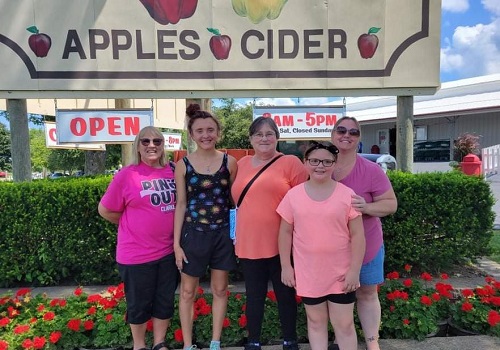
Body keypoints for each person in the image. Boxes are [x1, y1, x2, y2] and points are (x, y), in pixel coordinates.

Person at [277, 141, 365, 350]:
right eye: (314, 160)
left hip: (341, 274)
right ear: (305, 163)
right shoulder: (293, 196)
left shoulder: (347, 194)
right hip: (309, 273)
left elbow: (358, 235)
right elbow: (285, 232)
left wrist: (354, 270)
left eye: (327, 161)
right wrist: (286, 267)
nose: (320, 166)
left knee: (344, 325)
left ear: (334, 164)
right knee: (316, 323)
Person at [231, 117, 309, 350]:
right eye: (258, 134)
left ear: (277, 137)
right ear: (251, 139)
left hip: (282, 244)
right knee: (253, 295)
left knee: (285, 295)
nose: (264, 138)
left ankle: (290, 340)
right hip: (249, 242)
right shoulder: (241, 164)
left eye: (269, 134)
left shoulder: (291, 163)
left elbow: (304, 202)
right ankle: (253, 340)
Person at [98, 126, 178, 350]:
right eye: (145, 141)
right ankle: (140, 345)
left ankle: (159, 343)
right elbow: (105, 210)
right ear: (138, 146)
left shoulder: (173, 170)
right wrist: (128, 223)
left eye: (157, 141)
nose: (152, 145)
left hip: (169, 251)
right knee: (139, 304)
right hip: (136, 255)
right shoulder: (127, 175)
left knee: (164, 301)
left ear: (163, 146)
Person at [330, 117, 398, 350]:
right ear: (332, 133)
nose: (346, 135)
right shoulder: (319, 166)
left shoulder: (370, 170)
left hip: (367, 245)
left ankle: (372, 342)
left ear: (359, 138)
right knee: (338, 296)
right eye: (341, 130)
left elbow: (391, 204)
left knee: (367, 293)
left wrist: (366, 207)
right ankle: (342, 340)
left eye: (353, 132)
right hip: (330, 249)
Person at [174, 104, 238, 350]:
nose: (205, 135)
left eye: (210, 129)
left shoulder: (230, 162)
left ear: (218, 132)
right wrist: (176, 244)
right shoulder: (184, 164)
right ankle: (188, 345)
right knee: (188, 293)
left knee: (220, 290)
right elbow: (181, 205)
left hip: (222, 235)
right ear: (191, 134)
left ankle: (215, 343)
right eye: (199, 130)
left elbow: (234, 202)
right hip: (193, 235)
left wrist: (237, 235)